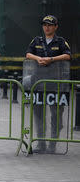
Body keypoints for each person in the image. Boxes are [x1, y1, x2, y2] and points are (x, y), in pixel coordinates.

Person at [25, 15, 71, 153]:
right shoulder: (37, 40)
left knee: (56, 116)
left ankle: (53, 144)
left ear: (56, 26)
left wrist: (51, 59)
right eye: (45, 25)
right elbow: (28, 54)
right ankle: (41, 143)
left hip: (55, 84)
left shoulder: (61, 41)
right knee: (39, 116)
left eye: (50, 25)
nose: (47, 27)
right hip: (38, 83)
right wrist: (38, 58)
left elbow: (68, 55)